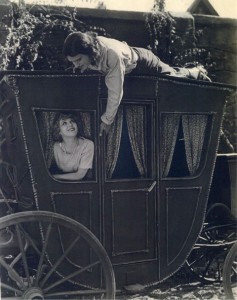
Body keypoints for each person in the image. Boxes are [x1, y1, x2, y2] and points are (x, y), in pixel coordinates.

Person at [62, 31, 211, 135]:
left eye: (78, 60)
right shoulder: (89, 52)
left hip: (145, 62)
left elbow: (115, 91)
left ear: (89, 51)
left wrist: (107, 121)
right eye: (73, 62)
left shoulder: (111, 55)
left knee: (172, 79)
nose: (76, 65)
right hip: (128, 68)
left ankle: (194, 72)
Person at [52, 112, 94, 180]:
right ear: (59, 131)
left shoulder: (87, 144)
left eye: (72, 121)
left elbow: (79, 175)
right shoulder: (55, 147)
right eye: (64, 123)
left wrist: (53, 177)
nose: (70, 125)